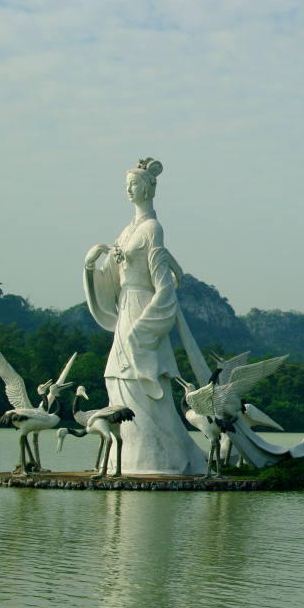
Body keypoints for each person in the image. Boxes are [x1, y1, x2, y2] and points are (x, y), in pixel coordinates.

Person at [83, 158, 206, 474]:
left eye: (134, 183)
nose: (129, 188)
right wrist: (89, 268)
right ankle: (123, 459)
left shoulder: (153, 228)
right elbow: (112, 277)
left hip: (142, 307)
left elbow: (163, 283)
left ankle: (160, 457)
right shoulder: (125, 232)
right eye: (126, 184)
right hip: (125, 307)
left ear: (150, 187)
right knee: (118, 378)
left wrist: (145, 327)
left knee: (142, 378)